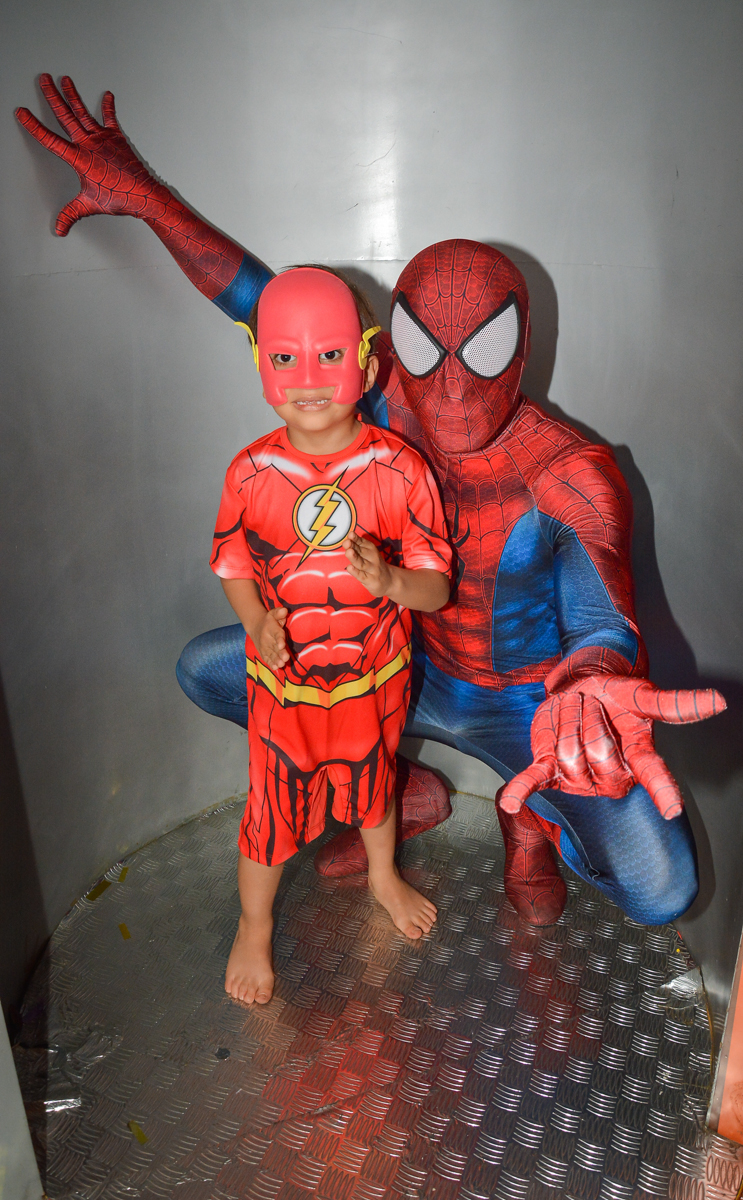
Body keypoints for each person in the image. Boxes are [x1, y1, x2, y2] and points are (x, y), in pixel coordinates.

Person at [16, 77, 725, 933]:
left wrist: (594, 681)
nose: (455, 388)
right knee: (212, 668)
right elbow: (262, 301)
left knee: (661, 890)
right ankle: (395, 785)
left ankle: (528, 817)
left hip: (527, 705)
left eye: (486, 348)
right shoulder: (382, 391)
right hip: (399, 671)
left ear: (524, 342)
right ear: (388, 347)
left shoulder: (568, 472)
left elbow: (600, 611)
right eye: (429, 351)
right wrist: (149, 201)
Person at [214, 266, 451, 1004]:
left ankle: (382, 874)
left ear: (368, 363)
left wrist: (388, 584)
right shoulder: (249, 472)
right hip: (282, 689)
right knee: (269, 812)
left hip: (373, 681)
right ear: (259, 363)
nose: (307, 378)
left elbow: (436, 588)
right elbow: (230, 563)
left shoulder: (400, 470)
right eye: (284, 357)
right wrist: (257, 624)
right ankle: (253, 927)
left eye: (329, 355)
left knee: (374, 788)